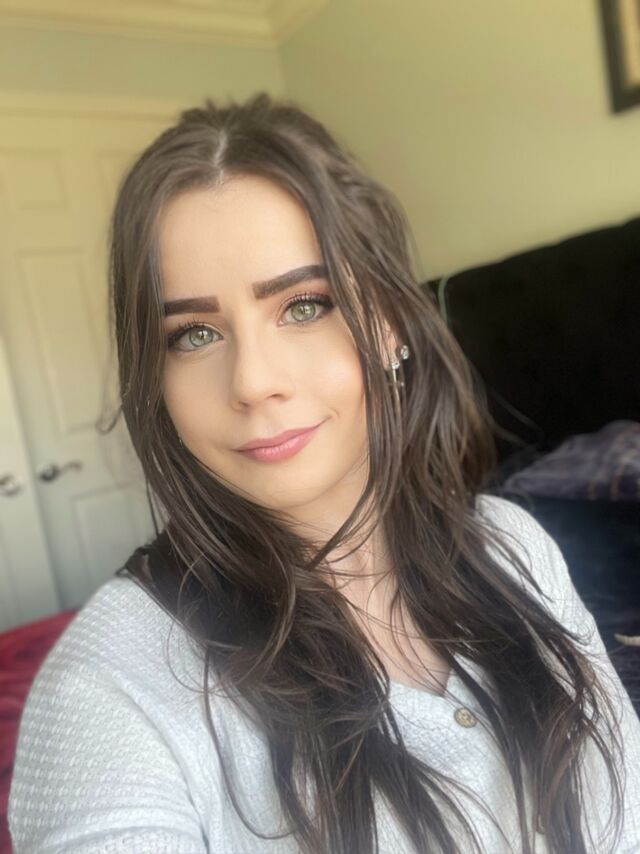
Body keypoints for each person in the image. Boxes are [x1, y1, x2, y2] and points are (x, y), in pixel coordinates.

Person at [8, 93, 640, 854]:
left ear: (392, 322)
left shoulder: (515, 544)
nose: (252, 381)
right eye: (194, 333)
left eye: (304, 306)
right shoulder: (110, 687)